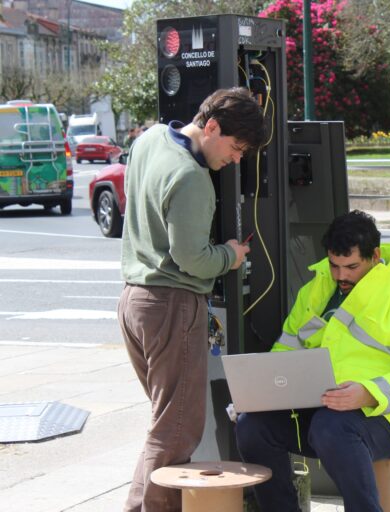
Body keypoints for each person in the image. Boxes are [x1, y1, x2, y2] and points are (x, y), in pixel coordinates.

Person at [235, 210, 390, 512]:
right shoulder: (315, 291)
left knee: (331, 428)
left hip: (389, 415)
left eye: (351, 266)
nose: (341, 275)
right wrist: (265, 393)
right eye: (334, 265)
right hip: (321, 409)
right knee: (251, 427)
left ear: (375, 256)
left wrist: (368, 392)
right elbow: (286, 351)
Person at [118, 87, 266, 511]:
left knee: (166, 423)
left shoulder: (147, 140)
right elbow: (193, 259)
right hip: (171, 305)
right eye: (236, 147)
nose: (236, 159)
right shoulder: (192, 177)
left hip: (134, 299)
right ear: (212, 126)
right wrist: (232, 255)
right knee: (177, 429)